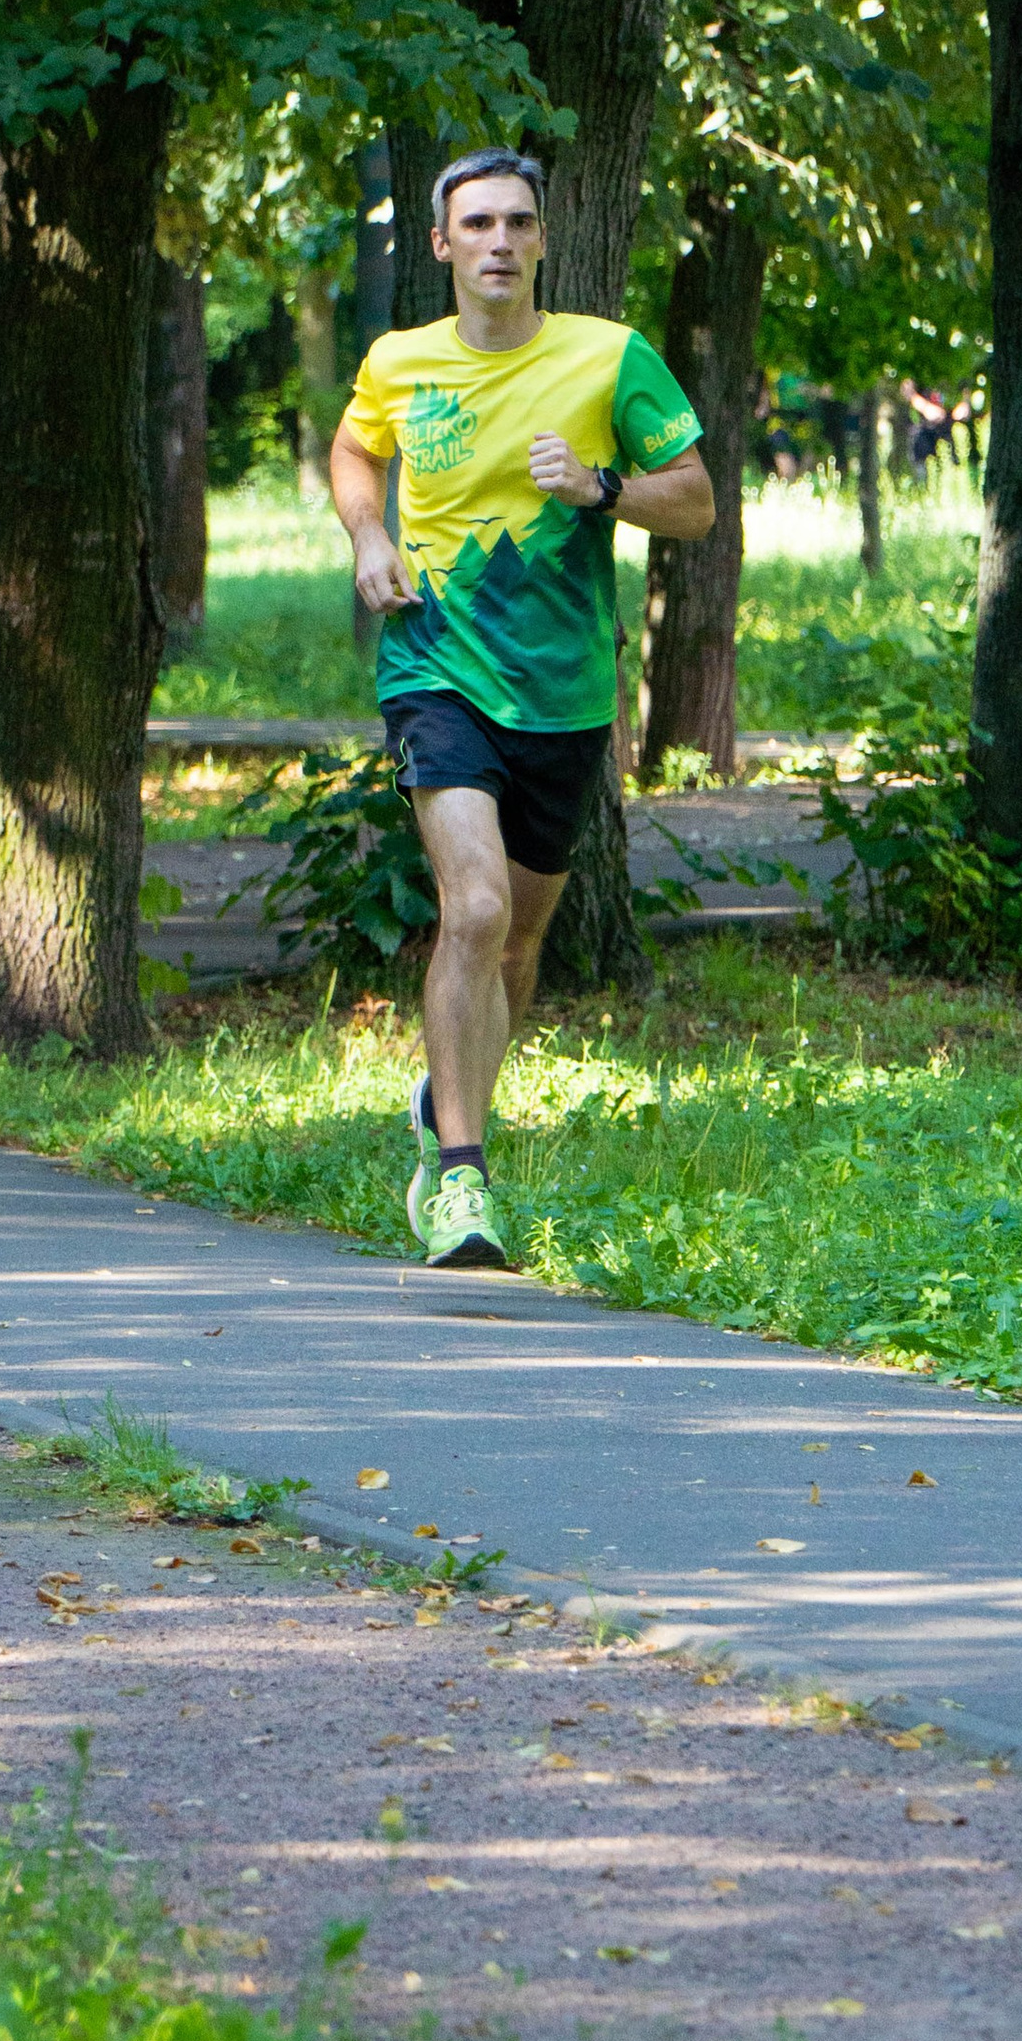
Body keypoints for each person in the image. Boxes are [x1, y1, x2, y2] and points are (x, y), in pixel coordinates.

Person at [333, 150, 716, 1269]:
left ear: (543, 239)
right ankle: (464, 1178)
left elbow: (696, 502)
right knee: (477, 906)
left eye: (517, 222)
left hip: (562, 692)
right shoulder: (399, 362)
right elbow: (355, 447)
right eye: (477, 224)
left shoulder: (611, 357)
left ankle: (443, 1109)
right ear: (441, 245)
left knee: (518, 946)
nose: (498, 241)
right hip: (435, 666)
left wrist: (601, 487)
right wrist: (368, 534)